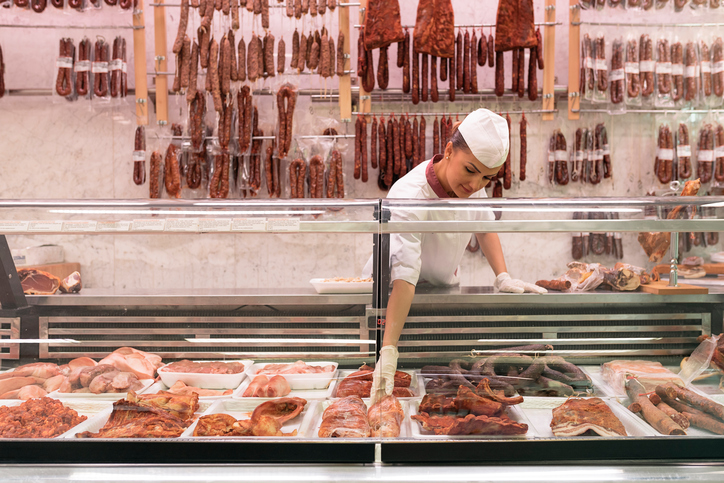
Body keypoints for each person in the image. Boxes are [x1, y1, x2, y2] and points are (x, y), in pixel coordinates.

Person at [365, 109, 546, 404]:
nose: (475, 185)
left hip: (440, 296)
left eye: (487, 177)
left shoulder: (473, 187)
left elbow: (485, 228)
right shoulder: (410, 194)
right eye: (470, 170)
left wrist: (502, 276)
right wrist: (388, 349)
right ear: (449, 151)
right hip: (392, 302)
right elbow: (405, 274)